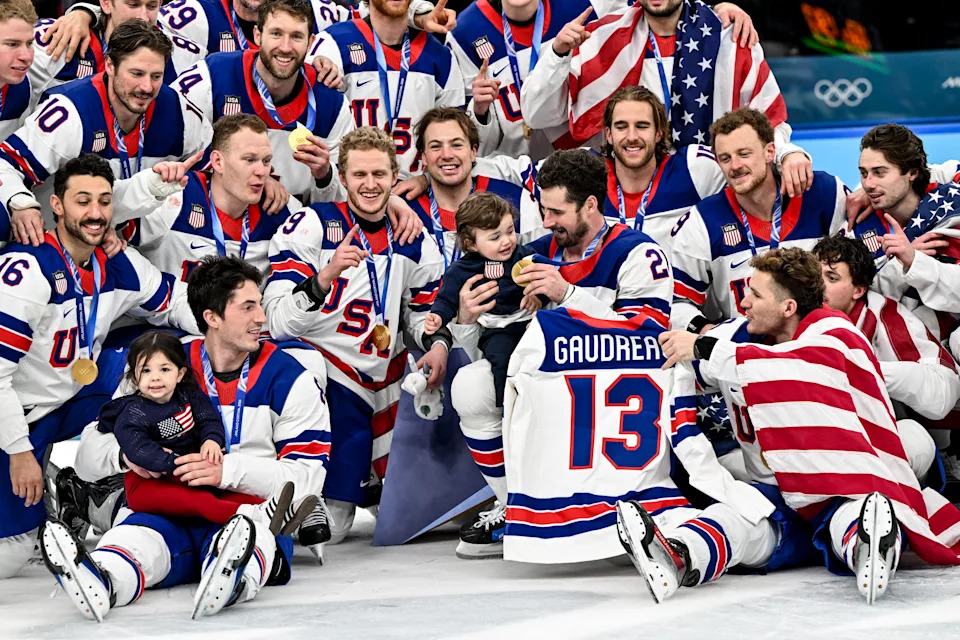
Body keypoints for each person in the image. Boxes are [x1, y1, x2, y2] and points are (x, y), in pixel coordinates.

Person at [643, 247, 960, 605]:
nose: (744, 302)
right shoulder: (735, 337)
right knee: (739, 519)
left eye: (756, 294)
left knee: (852, 514)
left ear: (788, 307)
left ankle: (871, 549)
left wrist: (704, 348)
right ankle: (678, 555)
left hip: (839, 487)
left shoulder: (836, 333)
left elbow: (792, 364)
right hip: (776, 492)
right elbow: (690, 363)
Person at [42, 254, 332, 620]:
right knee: (131, 540)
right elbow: (87, 457)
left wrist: (226, 472)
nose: (262, 317)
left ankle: (231, 577)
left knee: (252, 539)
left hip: (247, 512)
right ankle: (102, 580)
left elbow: (308, 481)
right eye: (248, 307)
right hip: (168, 508)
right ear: (212, 318)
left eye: (259, 305)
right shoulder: (162, 367)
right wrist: (128, 455)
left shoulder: (293, 379)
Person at [450, 148, 672, 558]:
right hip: (550, 396)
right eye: (543, 210)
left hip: (612, 411)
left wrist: (567, 296)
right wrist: (466, 320)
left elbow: (648, 343)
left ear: (590, 205)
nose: (546, 221)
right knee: (471, 384)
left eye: (556, 212)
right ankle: (514, 507)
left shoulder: (639, 253)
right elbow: (491, 350)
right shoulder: (529, 255)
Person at [0, 154, 198, 579]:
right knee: (11, 557)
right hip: (18, 412)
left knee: (177, 355)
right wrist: (18, 452)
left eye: (104, 202)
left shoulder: (116, 260)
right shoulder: (28, 270)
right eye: (83, 201)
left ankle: (103, 487)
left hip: (73, 395)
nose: (95, 213)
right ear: (56, 205)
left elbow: (176, 302)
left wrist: (229, 329)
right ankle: (53, 481)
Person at [263, 126, 446, 543]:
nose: (370, 184)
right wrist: (324, 277)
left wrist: (436, 340)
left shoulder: (412, 236)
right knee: (334, 527)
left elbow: (421, 314)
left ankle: (383, 478)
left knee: (408, 517)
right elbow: (278, 323)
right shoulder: (312, 224)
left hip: (382, 371)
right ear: (342, 177)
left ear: (394, 177)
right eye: (359, 174)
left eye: (379, 174)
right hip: (327, 371)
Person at [520, 0, 815, 200]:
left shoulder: (728, 37)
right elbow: (536, 115)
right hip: (631, 200)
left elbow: (768, 120)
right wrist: (558, 54)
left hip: (714, 193)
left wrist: (786, 154)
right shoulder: (601, 38)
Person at [0, 20, 214, 249]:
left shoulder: (178, 111)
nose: (147, 87)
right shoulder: (71, 111)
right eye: (137, 73)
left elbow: (216, 164)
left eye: (156, 76)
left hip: (120, 240)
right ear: (110, 65)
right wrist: (21, 203)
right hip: (52, 241)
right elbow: (6, 164)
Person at [101, 330, 317, 529]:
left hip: (186, 472)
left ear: (179, 374)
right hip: (149, 484)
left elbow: (208, 419)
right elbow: (137, 448)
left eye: (164, 369)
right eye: (145, 370)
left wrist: (211, 440)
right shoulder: (133, 412)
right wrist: (173, 463)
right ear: (135, 377)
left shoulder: (187, 395)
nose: (155, 377)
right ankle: (255, 516)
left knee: (223, 492)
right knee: (201, 501)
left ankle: (278, 511)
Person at [669, 108, 846, 333]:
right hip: (744, 348)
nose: (735, 166)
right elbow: (677, 303)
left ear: (770, 151)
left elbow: (859, 271)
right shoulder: (701, 222)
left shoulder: (824, 193)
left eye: (744, 154)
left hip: (821, 340)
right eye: (725, 158)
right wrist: (707, 332)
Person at [172, 0, 355, 204]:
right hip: (215, 216)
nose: (285, 47)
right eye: (276, 33)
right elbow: (172, 152)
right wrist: (244, 175)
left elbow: (343, 203)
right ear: (257, 35)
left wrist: (325, 176)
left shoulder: (332, 103)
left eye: (296, 36)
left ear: (310, 43)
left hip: (292, 221)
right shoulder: (213, 75)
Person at [117, 114, 301, 282]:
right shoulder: (175, 197)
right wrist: (147, 186)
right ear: (218, 162)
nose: (261, 172)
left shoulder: (283, 209)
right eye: (249, 160)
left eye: (266, 161)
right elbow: (112, 219)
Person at [814, 234, 960, 432]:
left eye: (832, 278)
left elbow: (942, 392)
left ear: (858, 291)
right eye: (815, 274)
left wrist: (862, 370)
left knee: (914, 437)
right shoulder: (797, 305)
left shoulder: (886, 319)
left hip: (909, 429)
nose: (818, 285)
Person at [306, 0, 465, 179]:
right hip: (352, 186)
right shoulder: (332, 43)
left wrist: (426, 180)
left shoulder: (441, 56)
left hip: (414, 188)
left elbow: (455, 139)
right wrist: (313, 64)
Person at [424, 192, 542, 407]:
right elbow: (446, 299)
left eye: (510, 231)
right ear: (471, 245)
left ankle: (541, 407)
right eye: (495, 237)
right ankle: (509, 408)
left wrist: (537, 296)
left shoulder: (526, 255)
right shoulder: (461, 270)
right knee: (503, 360)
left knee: (540, 360)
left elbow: (544, 279)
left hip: (529, 323)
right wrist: (438, 316)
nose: (506, 241)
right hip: (497, 329)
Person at [445, 0, 603, 159]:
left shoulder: (586, 5)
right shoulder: (464, 33)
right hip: (517, 168)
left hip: (592, 159)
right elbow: (475, 150)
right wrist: (480, 111)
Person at [848, 124, 960, 337]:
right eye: (863, 173)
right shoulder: (856, 226)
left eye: (879, 172)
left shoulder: (951, 207)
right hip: (895, 342)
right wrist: (901, 265)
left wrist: (915, 261)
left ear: (912, 172)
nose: (867, 184)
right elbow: (851, 301)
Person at [403, 107, 546, 268]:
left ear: (473, 152)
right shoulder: (404, 212)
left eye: (457, 145)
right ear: (423, 157)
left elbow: (540, 265)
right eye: (436, 146)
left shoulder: (515, 200)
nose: (447, 155)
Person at [597, 85, 725, 248]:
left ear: (659, 133)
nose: (632, 137)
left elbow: (749, 171)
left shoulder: (692, 168)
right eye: (621, 127)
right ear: (609, 134)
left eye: (642, 126)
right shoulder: (587, 176)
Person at [29, 0, 205, 96]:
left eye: (152, 6)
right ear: (106, 3)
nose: (143, 17)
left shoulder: (187, 57)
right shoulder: (57, 39)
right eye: (133, 5)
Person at [0, 0, 38, 143]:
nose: (26, 57)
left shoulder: (26, 83)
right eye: (12, 44)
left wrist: (83, 13)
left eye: (29, 43)